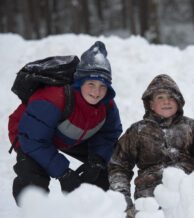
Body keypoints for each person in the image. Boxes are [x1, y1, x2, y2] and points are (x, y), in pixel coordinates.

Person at [9, 41, 122, 205]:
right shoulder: (54, 98)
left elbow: (109, 135)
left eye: (102, 86)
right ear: (79, 82)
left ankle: (95, 213)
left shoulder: (107, 104)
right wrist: (63, 173)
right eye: (91, 84)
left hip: (68, 135)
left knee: (107, 165)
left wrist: (97, 160)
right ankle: (33, 217)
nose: (96, 92)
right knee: (32, 177)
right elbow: (33, 140)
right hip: (29, 134)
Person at [108, 74, 194, 218]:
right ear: (151, 104)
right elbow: (119, 167)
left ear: (179, 102)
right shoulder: (138, 131)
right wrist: (123, 201)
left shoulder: (192, 129)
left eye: (171, 97)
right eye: (160, 97)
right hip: (149, 200)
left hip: (185, 198)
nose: (166, 102)